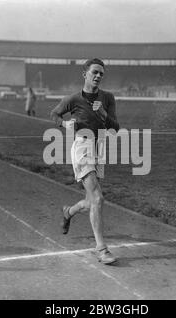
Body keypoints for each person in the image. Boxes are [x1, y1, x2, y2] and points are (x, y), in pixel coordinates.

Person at [50, 58, 120, 264]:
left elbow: (115, 128)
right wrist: (64, 123)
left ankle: (68, 212)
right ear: (85, 74)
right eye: (95, 72)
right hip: (82, 146)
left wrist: (103, 113)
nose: (98, 76)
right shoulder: (72, 99)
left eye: (101, 74)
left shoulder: (108, 98)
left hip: (100, 148)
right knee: (98, 198)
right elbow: (54, 113)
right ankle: (102, 249)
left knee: (91, 202)